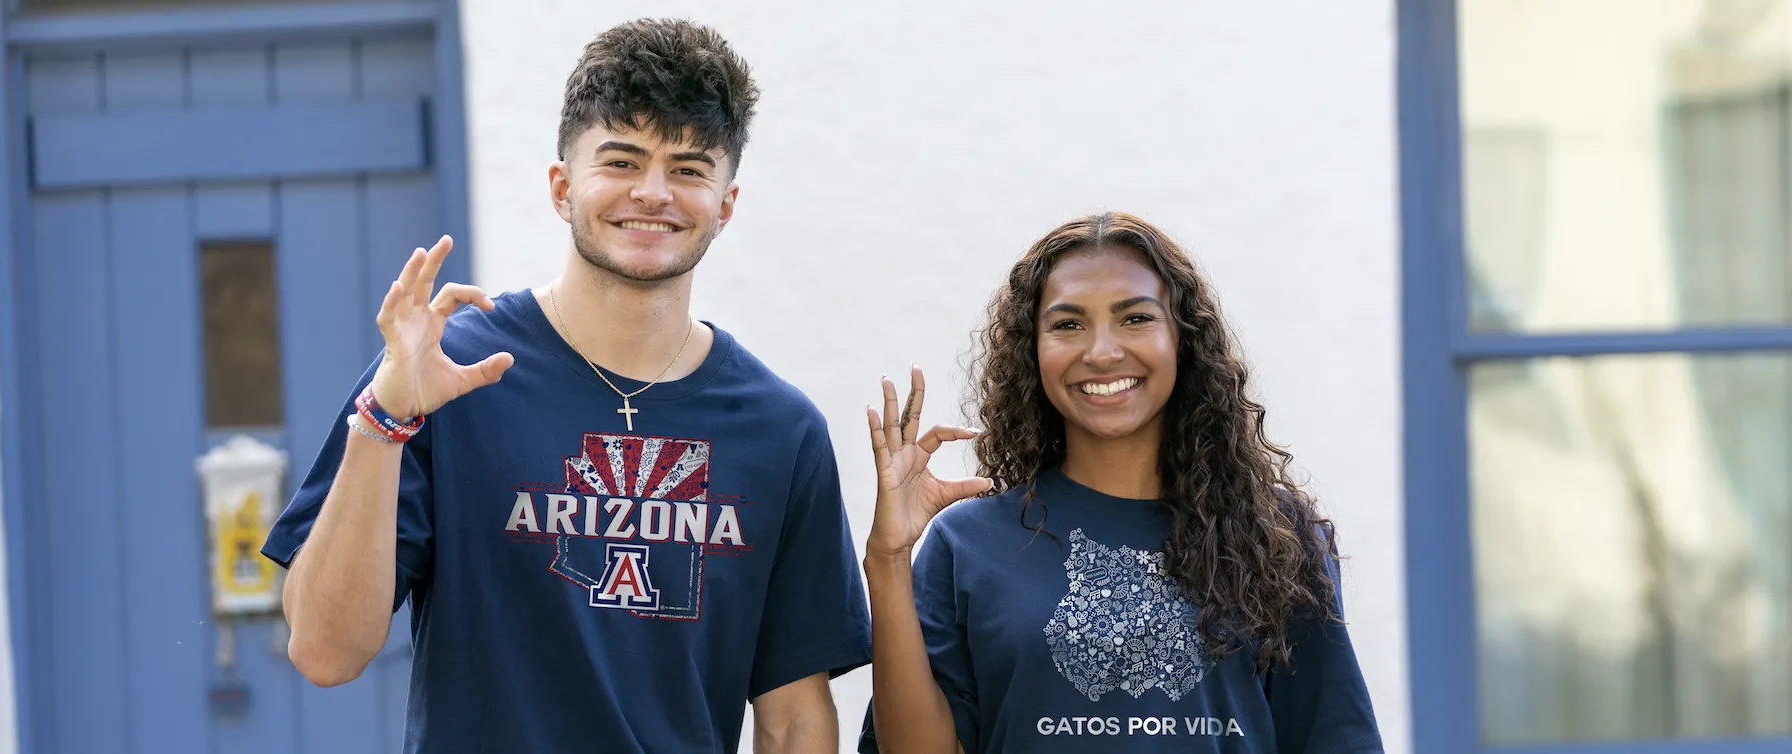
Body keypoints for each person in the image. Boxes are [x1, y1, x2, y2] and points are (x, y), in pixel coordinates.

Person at [262, 18, 868, 753]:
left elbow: (793, 720)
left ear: (725, 204)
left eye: (688, 168)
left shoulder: (780, 430)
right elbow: (324, 652)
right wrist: (386, 415)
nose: (653, 193)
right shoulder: (450, 374)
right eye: (621, 159)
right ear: (561, 186)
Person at [858, 212, 1385, 753]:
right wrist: (888, 560)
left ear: (1183, 338)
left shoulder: (1276, 534)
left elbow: (1333, 736)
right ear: (1031, 351)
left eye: (1135, 318)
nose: (1103, 352)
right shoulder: (966, 544)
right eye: (1067, 324)